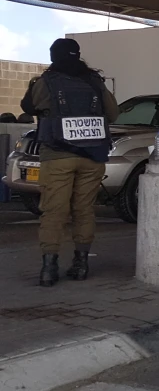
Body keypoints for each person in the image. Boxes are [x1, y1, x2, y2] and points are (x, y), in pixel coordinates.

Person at [20, 38, 118, 287]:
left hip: (57, 155)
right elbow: (114, 113)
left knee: (54, 211)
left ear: (54, 56)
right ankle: (81, 263)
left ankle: (49, 269)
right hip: (93, 157)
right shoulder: (95, 82)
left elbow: (28, 107)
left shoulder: (46, 82)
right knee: (84, 210)